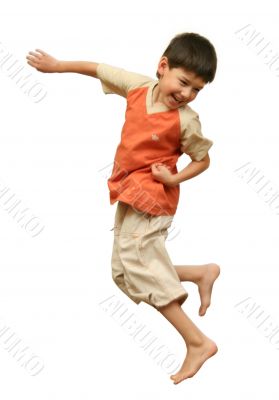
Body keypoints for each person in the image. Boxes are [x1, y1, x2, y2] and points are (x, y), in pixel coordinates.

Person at [26, 32, 221, 385]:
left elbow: (203, 160)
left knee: (140, 264)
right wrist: (57, 67)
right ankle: (199, 272)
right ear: (163, 68)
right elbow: (98, 68)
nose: (188, 94)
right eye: (184, 82)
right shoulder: (137, 87)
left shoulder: (186, 120)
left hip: (155, 197)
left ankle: (197, 342)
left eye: (197, 89)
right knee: (124, 272)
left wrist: (174, 180)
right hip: (129, 190)